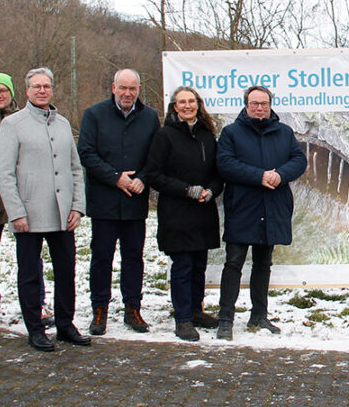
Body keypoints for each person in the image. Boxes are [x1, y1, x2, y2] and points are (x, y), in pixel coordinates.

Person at [0, 67, 91, 352]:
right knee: (29, 274)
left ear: (52, 89)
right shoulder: (12, 124)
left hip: (62, 214)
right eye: (36, 86)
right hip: (29, 214)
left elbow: (75, 168)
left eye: (46, 86)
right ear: (27, 90)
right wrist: (16, 212)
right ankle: (35, 329)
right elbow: (4, 173)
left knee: (66, 271)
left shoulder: (63, 124)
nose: (41, 90)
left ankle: (65, 325)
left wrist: (78, 206)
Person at [216, 86, 307, 340]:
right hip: (242, 207)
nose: (259, 108)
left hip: (272, 206)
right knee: (233, 263)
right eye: (254, 103)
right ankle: (225, 319)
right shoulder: (231, 133)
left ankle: (259, 315)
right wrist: (260, 176)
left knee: (263, 264)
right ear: (246, 105)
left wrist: (280, 175)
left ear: (270, 105)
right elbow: (225, 164)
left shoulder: (284, 132)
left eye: (264, 104)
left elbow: (299, 160)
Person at [78, 68, 160, 335]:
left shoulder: (149, 117)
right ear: (113, 88)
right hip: (104, 201)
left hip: (135, 201)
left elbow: (155, 156)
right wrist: (116, 178)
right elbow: (86, 153)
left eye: (132, 88)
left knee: (134, 257)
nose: (127, 93)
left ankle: (132, 308)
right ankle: (99, 308)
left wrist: (143, 179)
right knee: (102, 257)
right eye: (123, 88)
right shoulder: (94, 114)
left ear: (139, 90)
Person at [0, 72, 52, 330]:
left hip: (23, 199)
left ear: (12, 93)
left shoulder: (24, 120)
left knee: (30, 256)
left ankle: (37, 303)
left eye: (3, 90)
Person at [147, 86, 224, 341]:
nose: (188, 106)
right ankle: (182, 319)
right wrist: (187, 190)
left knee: (199, 265)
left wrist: (211, 191)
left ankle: (196, 311)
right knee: (182, 266)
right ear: (174, 107)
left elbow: (217, 173)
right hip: (177, 212)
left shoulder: (207, 135)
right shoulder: (165, 135)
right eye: (182, 102)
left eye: (192, 101)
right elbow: (154, 175)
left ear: (198, 105)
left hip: (203, 211)